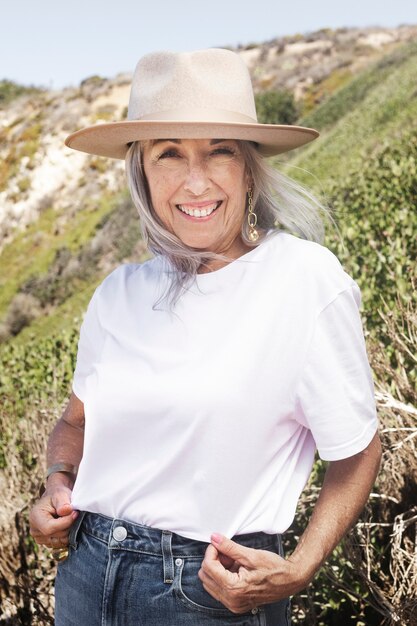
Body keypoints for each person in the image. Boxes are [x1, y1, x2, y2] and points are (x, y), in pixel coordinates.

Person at [29, 48, 381, 625]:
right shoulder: (118, 293)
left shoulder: (303, 279)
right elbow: (75, 422)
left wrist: (302, 565)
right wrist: (56, 482)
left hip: (208, 592)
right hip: (85, 575)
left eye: (219, 150)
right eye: (170, 153)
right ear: (142, 169)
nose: (197, 180)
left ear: (249, 167)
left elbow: (360, 446)